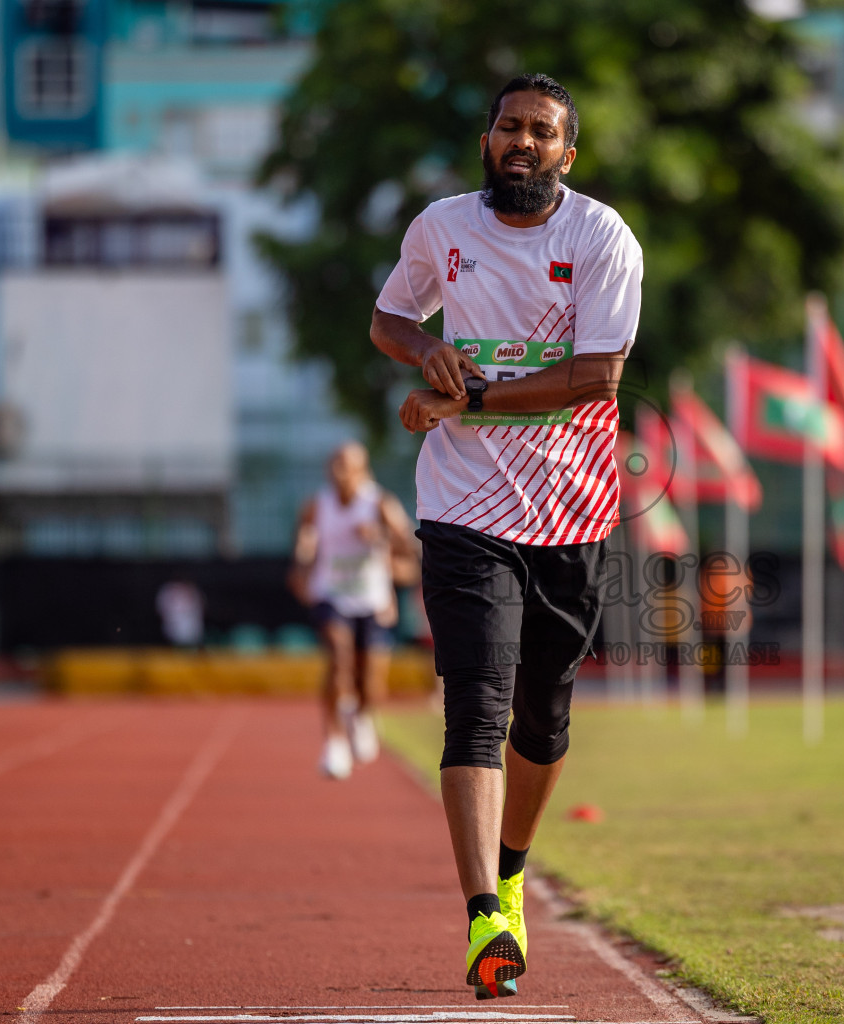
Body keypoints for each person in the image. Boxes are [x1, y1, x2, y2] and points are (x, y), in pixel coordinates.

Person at [370, 73, 641, 1000]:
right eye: (509, 127)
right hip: (463, 508)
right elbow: (388, 317)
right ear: (486, 139)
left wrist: (471, 396)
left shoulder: (600, 237)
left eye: (542, 132)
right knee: (475, 703)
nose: (523, 142)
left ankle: (515, 865)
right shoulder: (441, 229)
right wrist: (424, 349)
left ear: (569, 152)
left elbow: (597, 376)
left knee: (543, 714)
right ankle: (487, 913)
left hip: (571, 509)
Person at [290, 441, 416, 780]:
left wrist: (378, 537)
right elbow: (303, 544)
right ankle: (334, 742)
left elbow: (409, 546)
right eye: (334, 464)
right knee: (338, 655)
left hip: (371, 599)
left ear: (362, 470)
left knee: (371, 681)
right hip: (330, 594)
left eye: (346, 465)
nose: (338, 471)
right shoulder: (317, 505)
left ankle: (362, 714)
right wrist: (302, 567)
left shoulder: (379, 503)